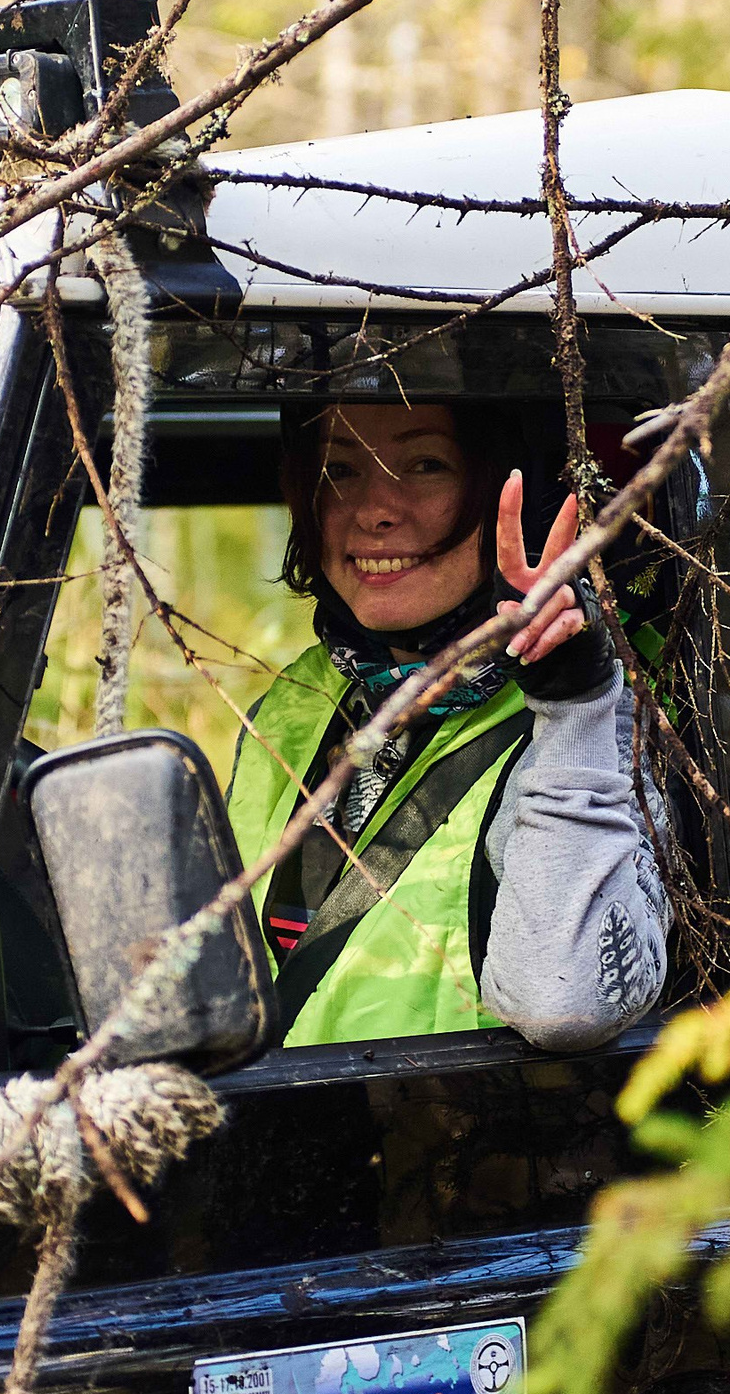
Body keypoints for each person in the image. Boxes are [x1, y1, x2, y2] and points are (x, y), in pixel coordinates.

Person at [224, 401, 669, 1051]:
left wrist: (574, 706)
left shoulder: (602, 713)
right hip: (285, 1135)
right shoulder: (298, 696)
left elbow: (567, 1004)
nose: (373, 509)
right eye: (341, 470)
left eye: (425, 464)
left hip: (468, 1141)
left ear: (523, 499)